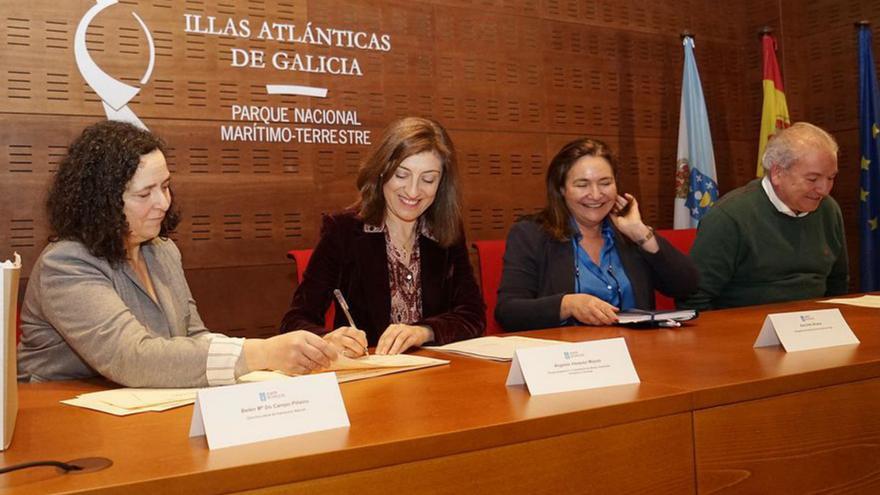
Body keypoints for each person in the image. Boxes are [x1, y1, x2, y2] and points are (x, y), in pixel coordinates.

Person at [17, 121, 339, 388]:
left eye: (166, 186)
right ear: (101, 203)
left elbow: (194, 337)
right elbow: (133, 358)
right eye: (145, 193)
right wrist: (261, 353)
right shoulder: (66, 264)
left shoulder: (163, 252)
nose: (164, 202)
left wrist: (311, 350)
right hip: (63, 421)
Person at [280, 117, 485, 354]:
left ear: (442, 183)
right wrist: (330, 340)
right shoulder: (343, 231)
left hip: (434, 378)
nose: (413, 191)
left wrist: (424, 331)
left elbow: (474, 316)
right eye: (401, 175)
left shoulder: (446, 231)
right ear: (382, 172)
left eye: (428, 179)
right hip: (369, 381)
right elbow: (294, 322)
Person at [495, 137, 698, 331]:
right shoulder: (531, 234)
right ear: (561, 189)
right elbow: (508, 312)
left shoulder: (627, 234)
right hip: (568, 358)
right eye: (582, 185)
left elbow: (686, 285)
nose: (595, 194)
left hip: (636, 352)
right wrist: (567, 305)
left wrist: (640, 232)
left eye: (605, 183)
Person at [679, 122, 849, 310]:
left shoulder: (829, 210)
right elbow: (694, 298)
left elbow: (838, 283)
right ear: (777, 173)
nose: (824, 190)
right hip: (746, 331)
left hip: (813, 328)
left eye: (831, 178)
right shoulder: (729, 217)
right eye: (812, 179)